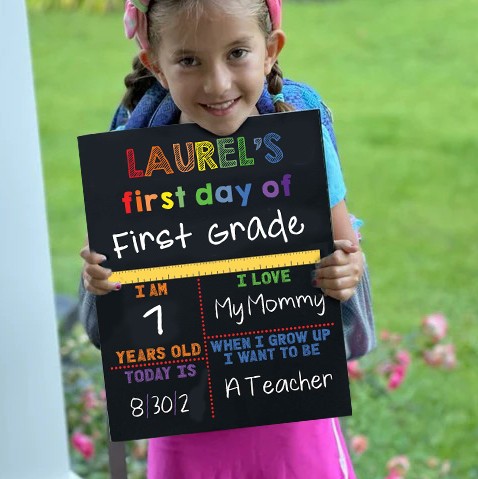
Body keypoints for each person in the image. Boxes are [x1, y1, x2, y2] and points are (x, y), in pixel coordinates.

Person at [79, 0, 374, 477]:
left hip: (293, 415)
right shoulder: (129, 156)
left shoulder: (299, 137)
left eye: (237, 53)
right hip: (183, 420)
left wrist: (346, 276)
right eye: (189, 60)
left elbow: (347, 269)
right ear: (155, 62)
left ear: (270, 50)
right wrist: (98, 280)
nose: (217, 84)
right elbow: (104, 316)